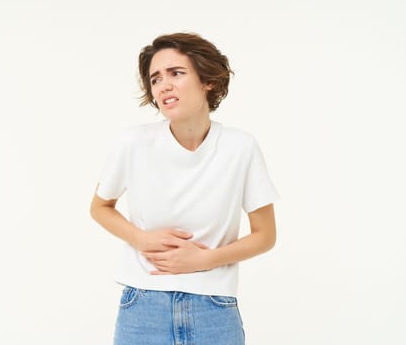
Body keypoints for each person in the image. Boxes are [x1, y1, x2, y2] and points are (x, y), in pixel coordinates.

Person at [90, 32, 279, 345]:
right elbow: (99, 206)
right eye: (155, 79)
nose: (163, 85)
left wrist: (204, 260)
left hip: (214, 309)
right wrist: (142, 239)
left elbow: (265, 235)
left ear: (207, 81)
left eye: (176, 73)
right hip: (143, 307)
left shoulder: (240, 147)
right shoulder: (132, 143)